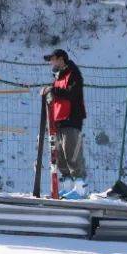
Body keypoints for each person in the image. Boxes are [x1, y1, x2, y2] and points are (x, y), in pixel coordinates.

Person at [40, 48, 87, 199]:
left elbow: (71, 93)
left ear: (61, 59)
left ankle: (80, 188)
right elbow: (56, 95)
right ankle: (67, 188)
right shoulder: (57, 76)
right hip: (58, 119)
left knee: (72, 152)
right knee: (59, 155)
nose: (51, 62)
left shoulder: (73, 73)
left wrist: (53, 90)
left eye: (53, 59)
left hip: (72, 118)